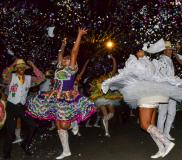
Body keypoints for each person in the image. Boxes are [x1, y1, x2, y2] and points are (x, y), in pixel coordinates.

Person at [102, 42, 182, 158]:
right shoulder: (149, 62)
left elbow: (133, 74)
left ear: (140, 52)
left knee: (144, 125)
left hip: (146, 95)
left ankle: (167, 142)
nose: (139, 52)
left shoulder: (141, 62)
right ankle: (160, 149)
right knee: (151, 124)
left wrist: (110, 82)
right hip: (153, 95)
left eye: (140, 51)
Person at [27, 28, 96, 159]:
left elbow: (74, 51)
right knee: (59, 125)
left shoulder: (71, 69)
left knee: (65, 124)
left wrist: (79, 35)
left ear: (72, 62)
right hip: (55, 95)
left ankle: (75, 121)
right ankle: (66, 151)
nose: (65, 59)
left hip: (67, 96)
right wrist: (63, 44)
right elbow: (60, 54)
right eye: (64, 58)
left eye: (68, 58)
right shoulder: (59, 67)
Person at [2, 59, 45, 159]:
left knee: (33, 126)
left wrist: (33, 65)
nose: (21, 68)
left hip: (22, 107)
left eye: (23, 67)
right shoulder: (11, 76)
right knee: (10, 131)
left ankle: (25, 144)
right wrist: (13, 63)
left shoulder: (29, 78)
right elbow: (4, 75)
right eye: (19, 67)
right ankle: (6, 153)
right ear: (16, 68)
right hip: (11, 106)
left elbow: (42, 78)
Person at [90, 55, 123, 137]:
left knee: (107, 114)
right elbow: (114, 68)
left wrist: (91, 88)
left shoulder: (97, 80)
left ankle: (106, 132)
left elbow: (91, 89)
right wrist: (113, 58)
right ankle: (106, 127)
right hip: (107, 97)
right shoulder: (107, 77)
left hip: (100, 98)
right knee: (111, 113)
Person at [156, 41, 177, 141]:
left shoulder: (169, 60)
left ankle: (166, 132)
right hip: (164, 90)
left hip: (171, 89)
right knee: (162, 113)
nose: (170, 51)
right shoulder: (162, 60)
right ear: (164, 50)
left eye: (171, 49)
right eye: (168, 49)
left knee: (172, 112)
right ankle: (160, 135)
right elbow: (162, 76)